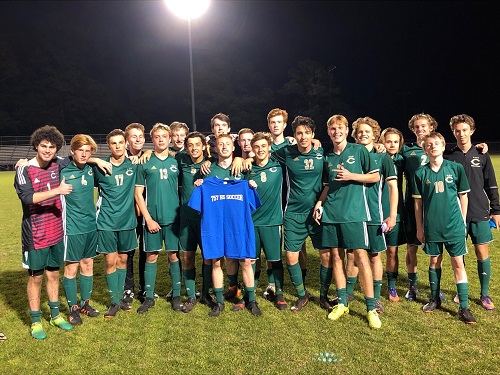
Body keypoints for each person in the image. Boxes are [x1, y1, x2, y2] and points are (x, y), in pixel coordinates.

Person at [313, 115, 382, 329]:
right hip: (331, 213)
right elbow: (327, 185)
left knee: (361, 256)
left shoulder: (359, 150)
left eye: (340, 128)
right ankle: (342, 303)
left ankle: (371, 308)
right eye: (332, 129)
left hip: (354, 213)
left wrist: (352, 175)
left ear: (346, 130)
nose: (336, 132)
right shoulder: (327, 157)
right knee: (336, 256)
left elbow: (374, 177)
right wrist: (319, 203)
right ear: (329, 132)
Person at [190, 135, 262, 316]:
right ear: (215, 148)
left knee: (245, 261)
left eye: (227, 144)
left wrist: (251, 186)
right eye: (220, 144)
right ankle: (219, 302)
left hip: (238, 227)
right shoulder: (207, 173)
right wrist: (198, 184)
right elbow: (196, 201)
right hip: (214, 228)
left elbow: (253, 202)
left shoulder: (242, 170)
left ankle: (251, 300)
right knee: (216, 261)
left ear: (233, 147)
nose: (224, 147)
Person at [14, 125, 74, 339]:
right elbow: (28, 198)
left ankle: (55, 315)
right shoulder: (24, 168)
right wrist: (57, 191)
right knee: (36, 277)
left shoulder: (58, 163)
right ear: (36, 146)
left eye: (52, 147)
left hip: (56, 231)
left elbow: (81, 156)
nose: (48, 150)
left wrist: (100, 160)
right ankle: (36, 320)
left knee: (54, 274)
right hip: (35, 235)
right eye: (44, 146)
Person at [413, 132, 476, 324]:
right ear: (425, 149)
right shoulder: (420, 173)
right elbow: (418, 205)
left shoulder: (455, 168)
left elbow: (463, 196)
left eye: (436, 144)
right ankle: (434, 299)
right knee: (434, 261)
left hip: (454, 226)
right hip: (432, 227)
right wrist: (420, 228)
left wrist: (462, 221)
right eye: (429, 145)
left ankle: (463, 306)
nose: (433, 147)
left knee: (457, 262)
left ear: (442, 146)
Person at [445, 114, 500, 310]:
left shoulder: (481, 154)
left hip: (479, 211)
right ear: (453, 132)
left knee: (481, 252)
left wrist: (496, 210)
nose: (461, 134)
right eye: (457, 131)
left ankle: (484, 294)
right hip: (456, 213)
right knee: (458, 255)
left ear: (472, 131)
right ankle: (462, 293)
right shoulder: (448, 156)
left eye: (465, 130)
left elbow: (491, 184)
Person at [344, 117, 398, 314]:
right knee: (351, 255)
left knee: (375, 256)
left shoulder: (382, 157)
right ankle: (348, 293)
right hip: (353, 214)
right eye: (359, 131)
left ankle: (375, 298)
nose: (363, 134)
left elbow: (393, 187)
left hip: (375, 214)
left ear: (375, 134)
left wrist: (392, 215)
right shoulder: (349, 154)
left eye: (367, 131)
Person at [272, 116, 325, 312]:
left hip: (318, 213)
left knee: (327, 256)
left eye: (307, 133)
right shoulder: (286, 152)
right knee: (291, 257)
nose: (303, 136)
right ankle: (302, 295)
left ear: (313, 134)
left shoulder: (321, 151)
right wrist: (241, 156)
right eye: (299, 133)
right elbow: (260, 152)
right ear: (293, 136)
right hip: (293, 212)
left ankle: (324, 295)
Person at [134, 123, 182, 313]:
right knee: (151, 255)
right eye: (157, 137)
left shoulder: (176, 161)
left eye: (164, 136)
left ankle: (176, 295)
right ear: (152, 140)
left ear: (170, 139)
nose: (161, 139)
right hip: (152, 219)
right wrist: (149, 218)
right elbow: (138, 194)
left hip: (173, 218)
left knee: (173, 255)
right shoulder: (144, 162)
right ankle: (148, 296)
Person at [95, 129, 138, 318]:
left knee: (123, 260)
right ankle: (114, 301)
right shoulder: (101, 166)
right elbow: (76, 161)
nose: (118, 146)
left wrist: (143, 154)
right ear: (109, 146)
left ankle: (121, 298)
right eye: (114, 143)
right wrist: (95, 160)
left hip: (128, 221)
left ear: (126, 144)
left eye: (121, 142)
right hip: (106, 221)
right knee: (110, 261)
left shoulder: (133, 164)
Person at [61, 134, 101, 325]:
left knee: (88, 264)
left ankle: (85, 303)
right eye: (81, 151)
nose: (84, 155)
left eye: (88, 151)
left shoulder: (92, 169)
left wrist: (96, 158)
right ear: (72, 151)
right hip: (72, 227)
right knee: (71, 267)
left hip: (90, 226)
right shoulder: (63, 171)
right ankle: (72, 308)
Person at [245, 132, 287, 310]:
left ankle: (278, 292)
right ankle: (251, 292)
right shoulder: (247, 170)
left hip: (272, 221)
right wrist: (242, 159)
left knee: (274, 258)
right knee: (252, 259)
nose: (260, 149)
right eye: (257, 147)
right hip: (252, 222)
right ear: (252, 149)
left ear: (269, 147)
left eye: (264, 146)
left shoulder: (279, 166)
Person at [400, 113, 437, 301]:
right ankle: (412, 285)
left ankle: (435, 288)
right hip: (412, 205)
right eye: (416, 127)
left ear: (431, 127)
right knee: (411, 246)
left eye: (424, 126)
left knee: (436, 248)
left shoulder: (439, 147)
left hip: (435, 205)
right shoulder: (406, 150)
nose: (420, 129)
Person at [176, 131, 210, 312]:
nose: (194, 148)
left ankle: (205, 293)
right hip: (186, 218)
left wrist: (211, 160)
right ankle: (191, 295)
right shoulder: (181, 159)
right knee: (187, 256)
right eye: (190, 145)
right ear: (186, 147)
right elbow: (164, 154)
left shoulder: (212, 165)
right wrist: (148, 153)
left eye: (198, 144)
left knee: (208, 258)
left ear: (204, 146)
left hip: (206, 220)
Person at [379, 127, 406, 302]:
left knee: (392, 251)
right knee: (372, 253)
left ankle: (392, 286)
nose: (392, 144)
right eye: (389, 141)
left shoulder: (403, 160)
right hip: (374, 210)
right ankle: (372, 285)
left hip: (395, 211)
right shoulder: (375, 156)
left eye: (396, 142)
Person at [123, 123, 147, 304]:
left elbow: (171, 154)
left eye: (140, 136)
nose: (137, 139)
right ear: (126, 140)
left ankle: (145, 287)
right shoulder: (121, 159)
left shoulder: (149, 157)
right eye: (133, 136)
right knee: (129, 252)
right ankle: (128, 289)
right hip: (127, 214)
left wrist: (149, 153)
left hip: (147, 214)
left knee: (146, 250)